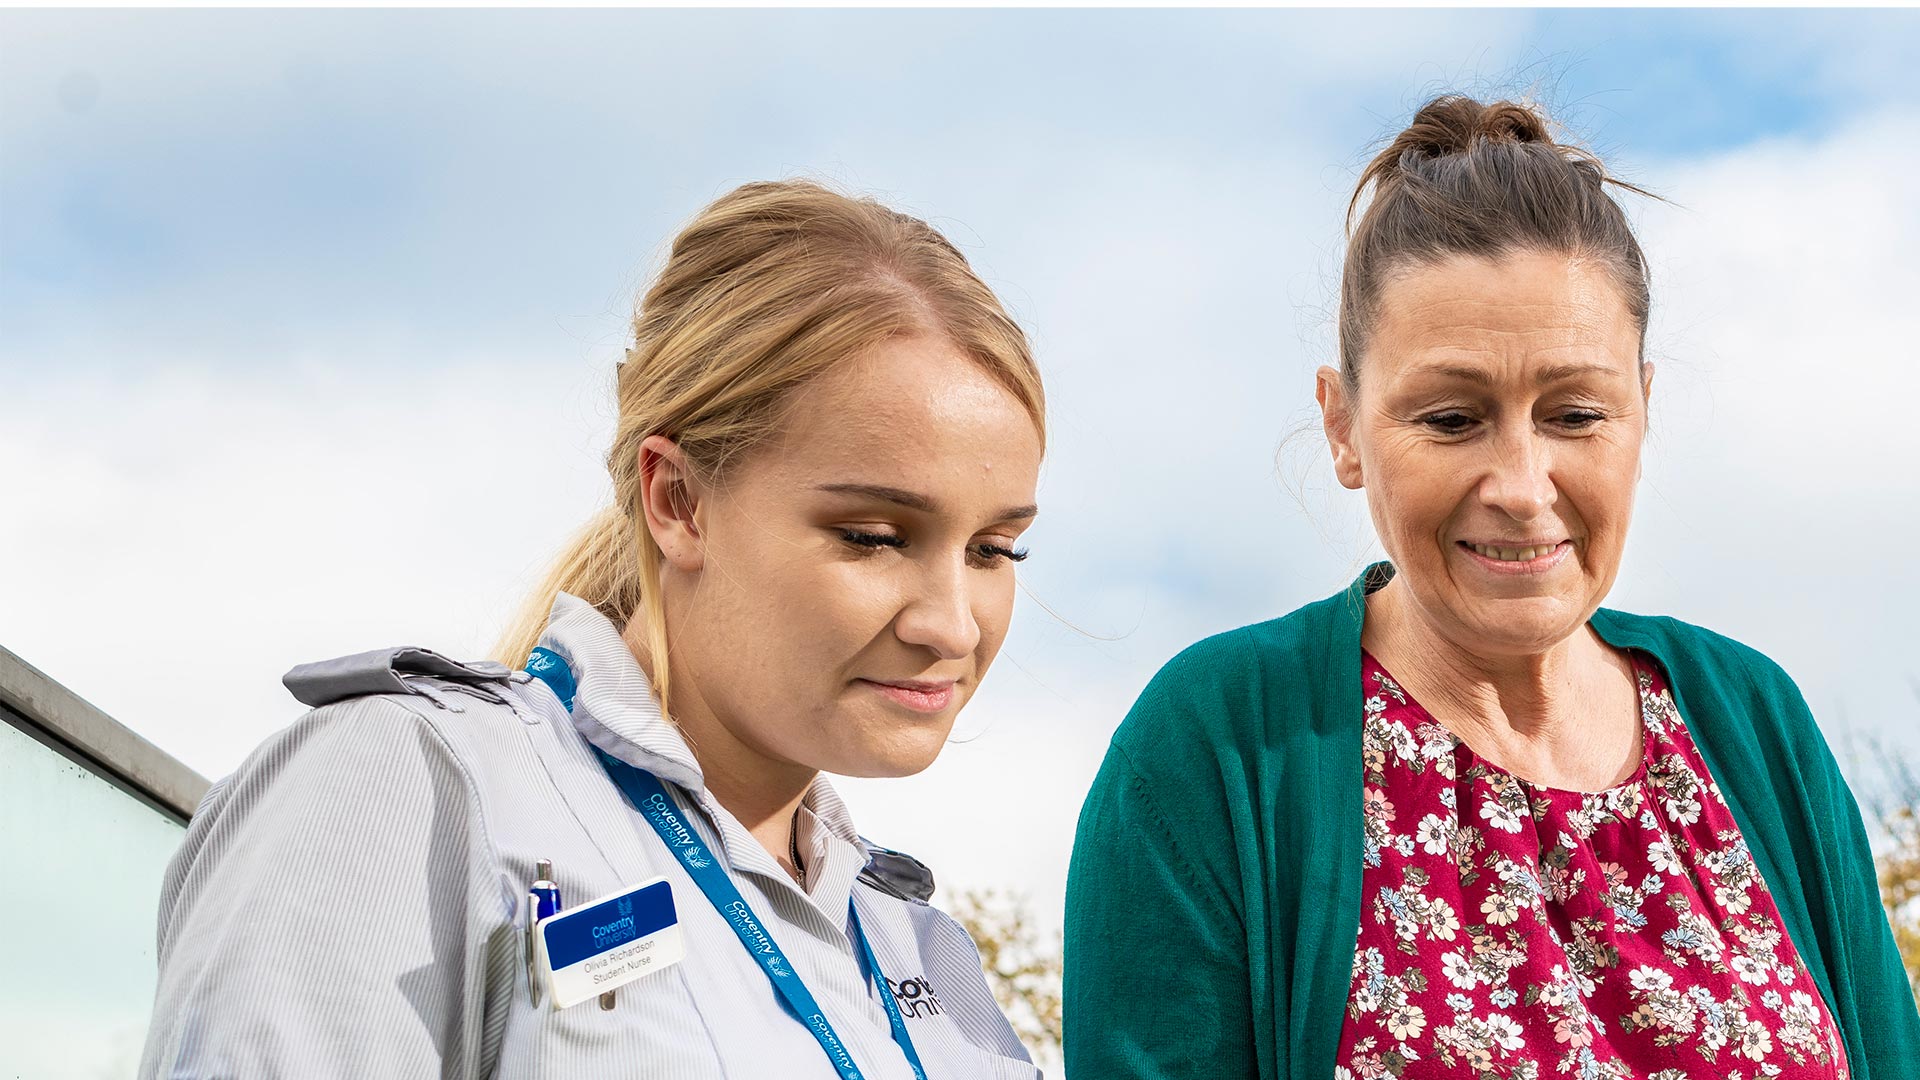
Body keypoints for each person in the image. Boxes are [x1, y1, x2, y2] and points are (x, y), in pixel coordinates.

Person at [1064, 96, 1920, 1080]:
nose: (1520, 487)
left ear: (1645, 410)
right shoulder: (1219, 744)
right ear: (1342, 427)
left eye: (1577, 412)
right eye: (1450, 418)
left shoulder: (1752, 717)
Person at [139, 179, 1047, 1079]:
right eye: (874, 538)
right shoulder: (413, 783)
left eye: (996, 549)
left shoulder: (924, 955)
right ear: (678, 500)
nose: (952, 625)